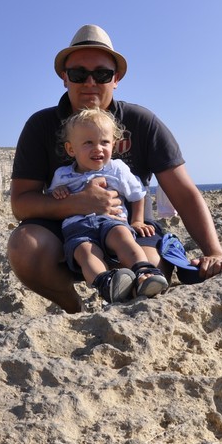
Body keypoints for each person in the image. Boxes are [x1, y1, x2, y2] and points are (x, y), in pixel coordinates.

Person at [8, 24, 222, 313]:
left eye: (101, 74)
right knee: (24, 249)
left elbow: (183, 192)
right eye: (78, 73)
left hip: (130, 226)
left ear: (116, 78)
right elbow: (21, 203)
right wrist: (78, 203)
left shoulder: (142, 122)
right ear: (65, 78)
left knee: (150, 270)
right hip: (65, 230)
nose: (90, 82)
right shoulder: (41, 126)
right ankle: (74, 308)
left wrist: (213, 251)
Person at [48, 108, 169, 303]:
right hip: (76, 227)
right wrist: (58, 192)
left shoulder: (117, 168)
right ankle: (105, 283)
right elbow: (54, 198)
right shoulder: (62, 175)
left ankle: (144, 272)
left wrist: (137, 221)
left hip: (111, 220)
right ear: (71, 149)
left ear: (113, 144)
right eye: (88, 143)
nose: (98, 148)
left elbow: (138, 193)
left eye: (104, 142)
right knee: (85, 253)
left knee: (124, 238)